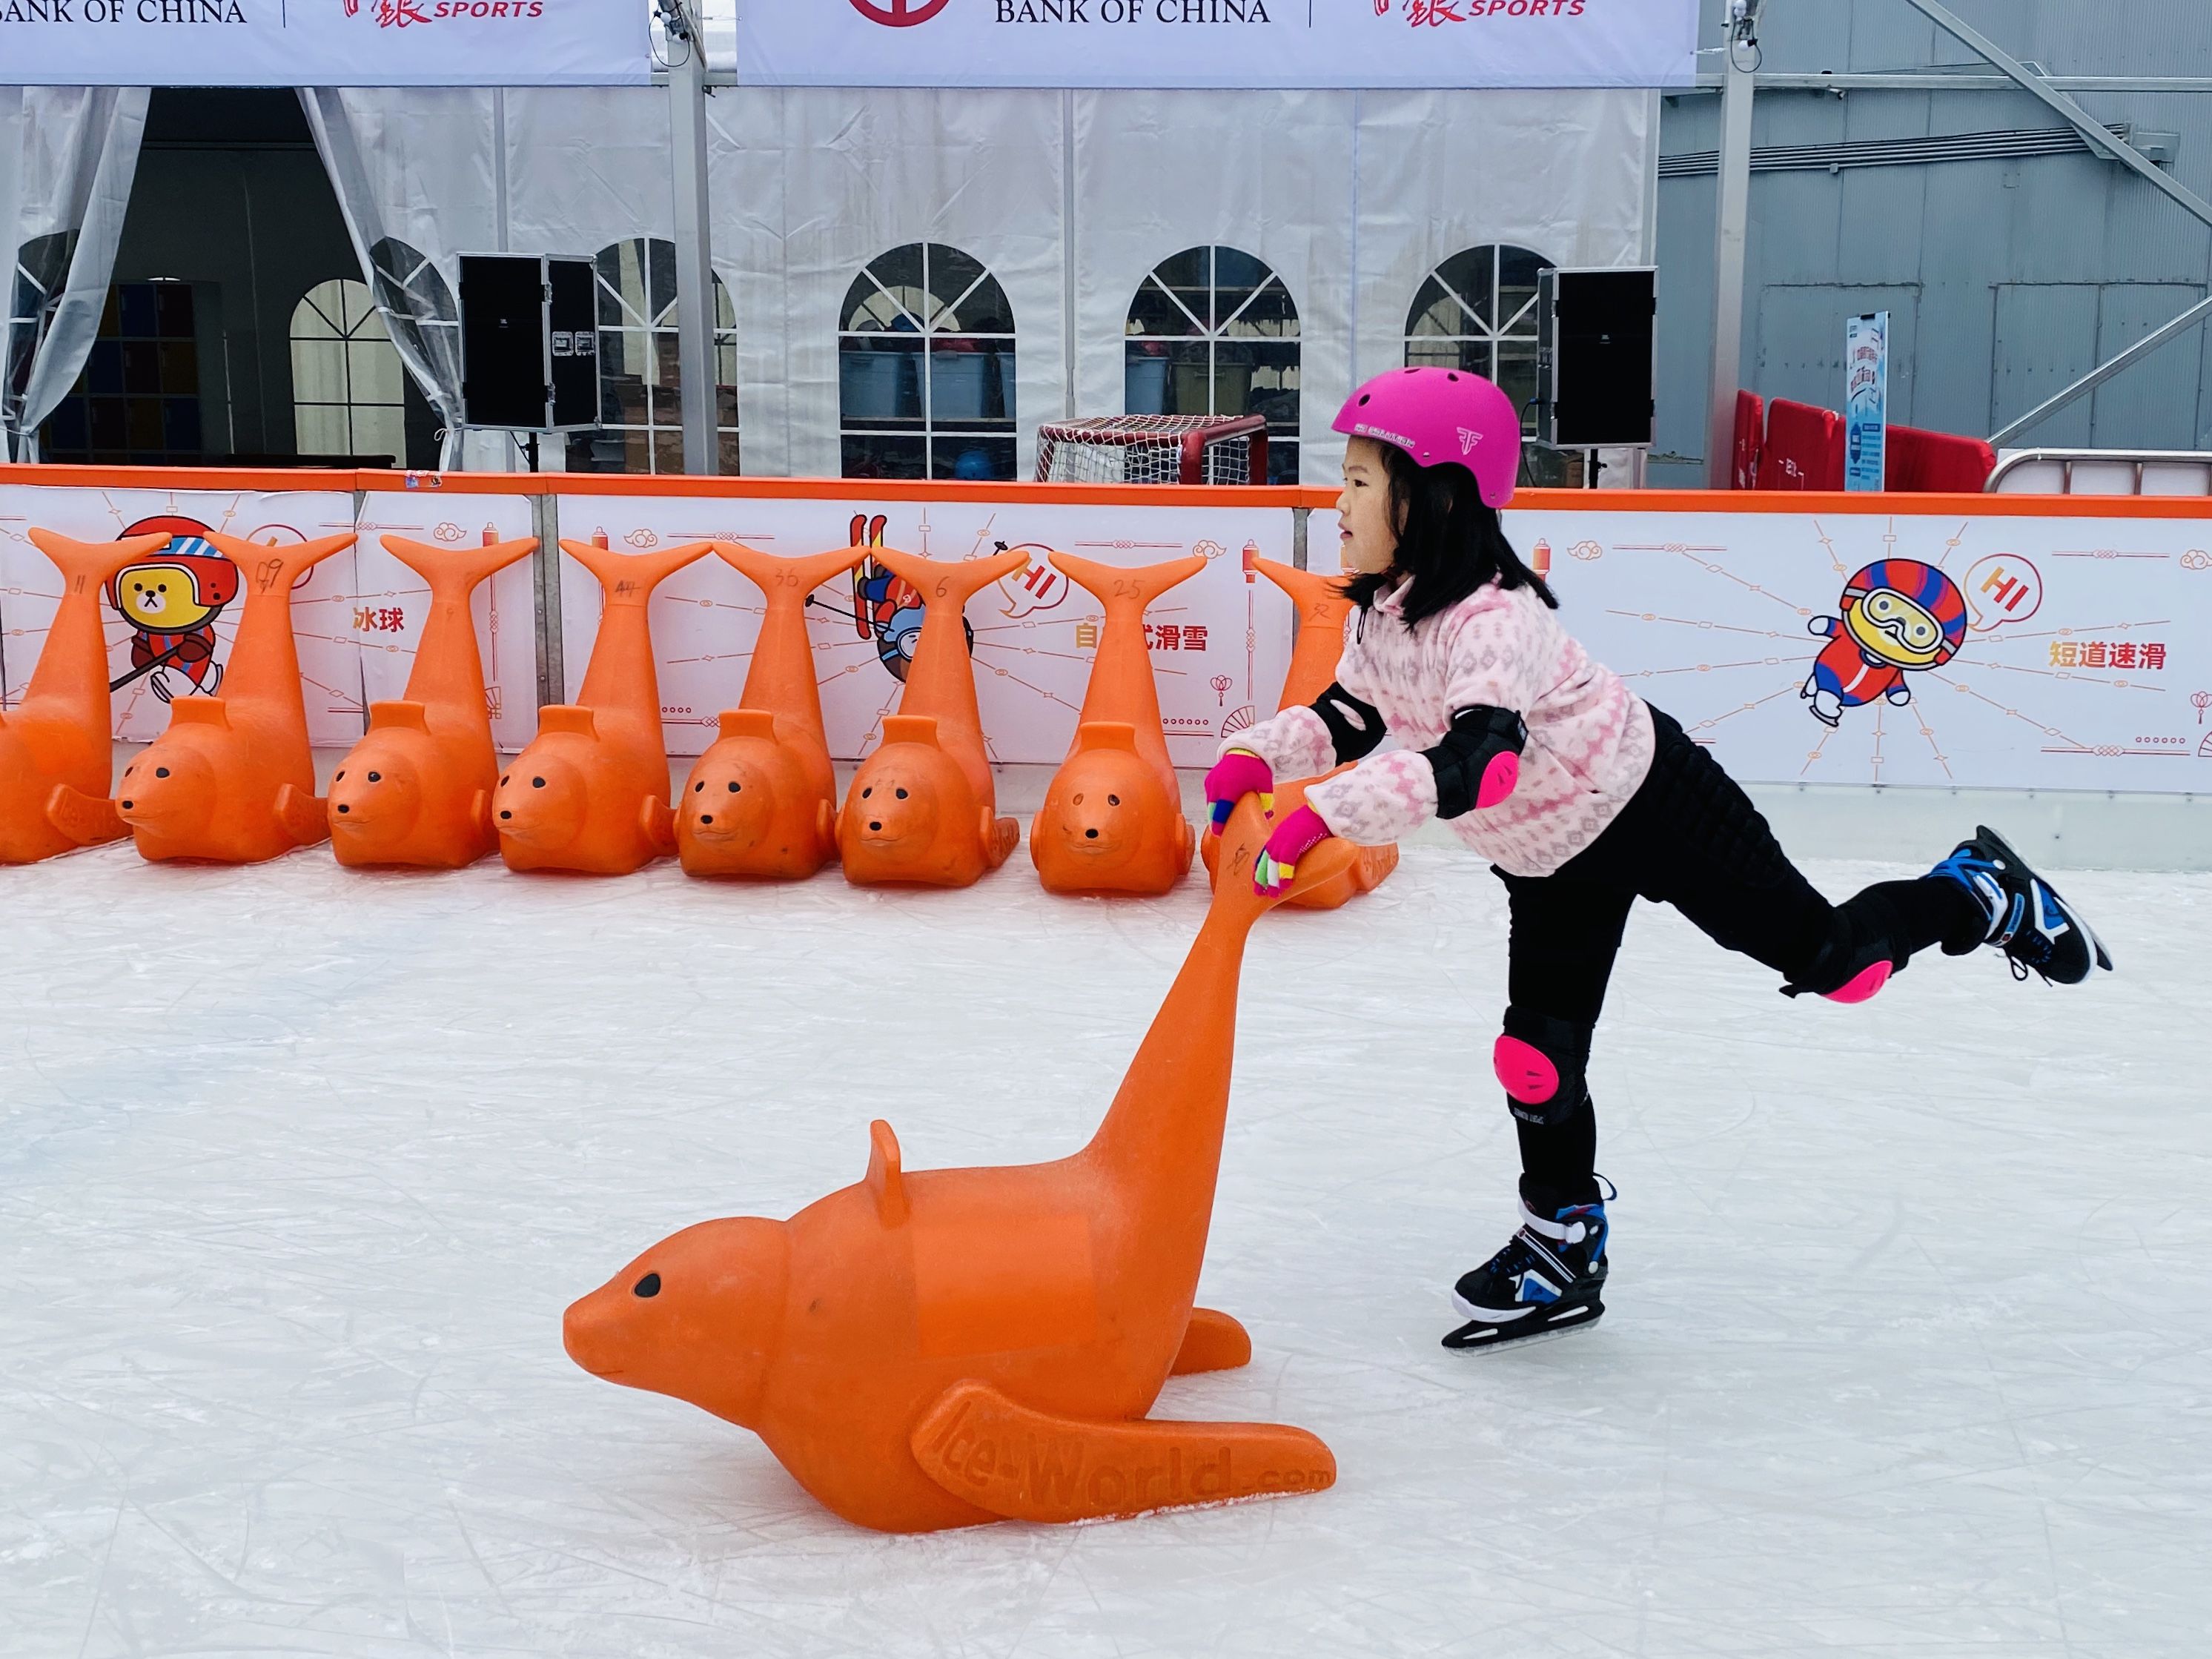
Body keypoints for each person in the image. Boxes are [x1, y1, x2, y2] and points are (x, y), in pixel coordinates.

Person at [1204, 367, 2113, 1351]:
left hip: (1651, 802)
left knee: (1840, 967)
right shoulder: (1388, 614)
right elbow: (1351, 715)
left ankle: (1973, 892)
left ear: (1433, 494)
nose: (1334, 503)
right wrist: (1259, 752)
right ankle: (1561, 1239)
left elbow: (1481, 763)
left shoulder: (1491, 620)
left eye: (1356, 481)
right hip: (1553, 855)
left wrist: (1315, 820)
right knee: (1535, 1060)